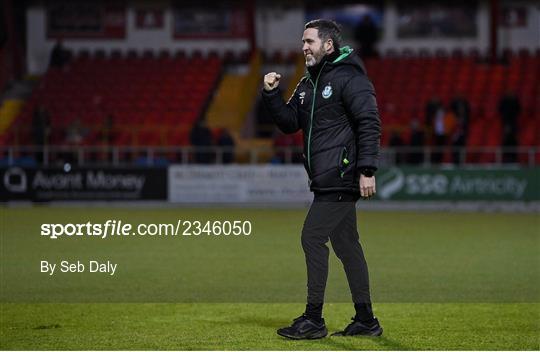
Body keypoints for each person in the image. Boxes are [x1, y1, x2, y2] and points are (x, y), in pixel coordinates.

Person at [261, 19, 382, 340]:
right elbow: (289, 124)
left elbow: (369, 121)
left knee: (312, 237)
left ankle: (313, 319)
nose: (303, 47)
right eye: (303, 42)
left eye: (310, 41)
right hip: (325, 177)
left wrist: (367, 169)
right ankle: (366, 319)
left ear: (328, 45)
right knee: (346, 245)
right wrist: (271, 95)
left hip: (340, 176)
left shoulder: (349, 78)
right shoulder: (307, 84)